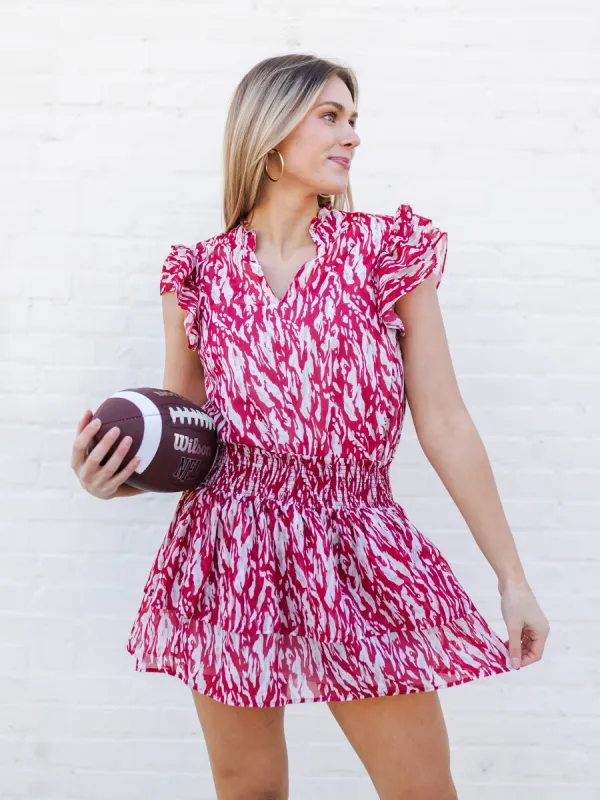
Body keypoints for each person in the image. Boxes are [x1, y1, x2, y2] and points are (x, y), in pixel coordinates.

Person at [72, 54, 550, 800]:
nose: (351, 135)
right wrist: (116, 478)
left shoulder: (386, 255)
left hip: (354, 543)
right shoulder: (198, 275)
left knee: (421, 789)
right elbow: (186, 441)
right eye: (331, 116)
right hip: (229, 550)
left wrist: (511, 578)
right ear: (269, 138)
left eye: (353, 119)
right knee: (249, 789)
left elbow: (446, 423)